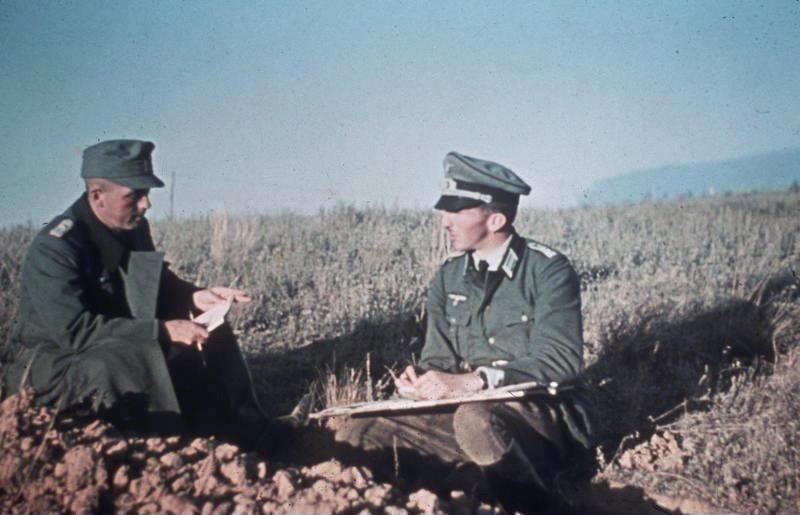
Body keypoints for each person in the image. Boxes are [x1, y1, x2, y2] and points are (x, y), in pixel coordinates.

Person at [334, 152, 593, 512]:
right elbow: (438, 357)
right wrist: (421, 382)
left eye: (457, 210)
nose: (445, 222)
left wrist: (477, 380)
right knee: (358, 431)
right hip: (464, 414)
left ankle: (533, 504)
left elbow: (561, 360)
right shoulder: (448, 276)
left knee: (475, 419)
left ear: (496, 219)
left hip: (536, 416)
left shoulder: (548, 270)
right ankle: (452, 496)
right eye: (445, 210)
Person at [0, 139, 272, 446]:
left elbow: (154, 284)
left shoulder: (133, 227)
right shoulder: (57, 248)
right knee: (131, 356)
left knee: (212, 333)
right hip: (53, 366)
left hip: (113, 343)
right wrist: (163, 331)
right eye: (135, 195)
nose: (146, 204)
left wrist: (194, 297)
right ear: (97, 195)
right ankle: (171, 452)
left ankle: (251, 434)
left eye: (146, 193)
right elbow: (75, 333)